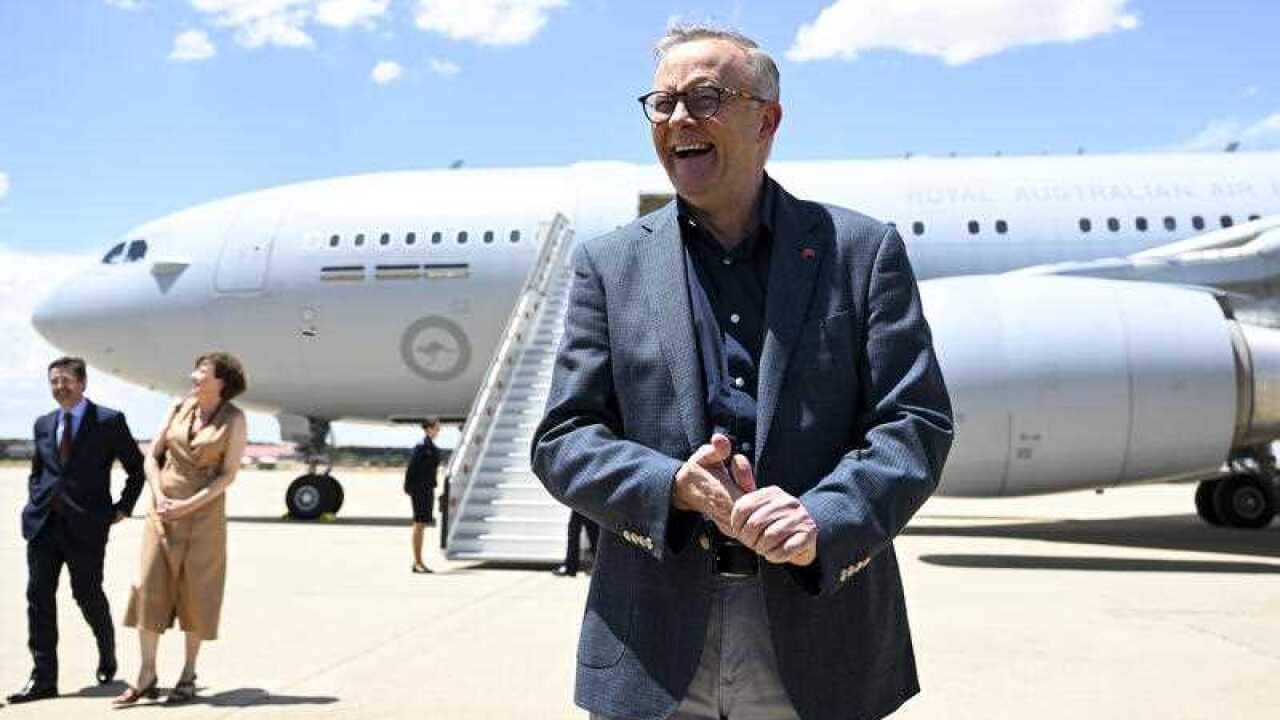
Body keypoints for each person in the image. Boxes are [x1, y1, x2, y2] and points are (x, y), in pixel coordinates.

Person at [530, 25, 954, 720]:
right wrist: (671, 486)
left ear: (767, 119)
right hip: (653, 649)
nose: (676, 119)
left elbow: (916, 426)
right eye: (661, 103)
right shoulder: (608, 267)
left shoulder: (860, 252)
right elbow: (563, 439)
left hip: (822, 641)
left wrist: (822, 517)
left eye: (703, 97)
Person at [8, 357, 146, 704]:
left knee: (86, 594)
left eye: (67, 380)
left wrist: (122, 508)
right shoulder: (44, 423)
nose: (60, 387)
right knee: (38, 598)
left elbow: (137, 469)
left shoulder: (108, 421)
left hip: (86, 525)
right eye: (54, 381)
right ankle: (43, 678)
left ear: (82, 384)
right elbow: (38, 471)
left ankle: (106, 650)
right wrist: (34, 502)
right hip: (43, 525)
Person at [115, 352, 248, 705]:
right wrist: (159, 494)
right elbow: (151, 455)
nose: (193, 377)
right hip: (162, 509)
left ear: (221, 381)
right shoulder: (178, 407)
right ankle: (146, 675)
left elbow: (228, 474)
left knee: (197, 593)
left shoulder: (234, 419)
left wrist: (189, 505)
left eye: (202, 372)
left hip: (203, 515)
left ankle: (188, 674)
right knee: (148, 586)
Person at [405, 417, 441, 573]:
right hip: (419, 490)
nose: (438, 431)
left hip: (427, 490)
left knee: (422, 524)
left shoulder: (431, 447)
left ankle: (418, 561)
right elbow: (411, 469)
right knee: (419, 524)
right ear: (428, 429)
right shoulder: (421, 447)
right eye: (436, 428)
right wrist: (410, 488)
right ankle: (418, 562)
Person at [552, 511, 600, 577]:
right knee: (573, 530)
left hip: (592, 504)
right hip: (580, 503)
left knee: (593, 533)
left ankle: (597, 566)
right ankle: (570, 567)